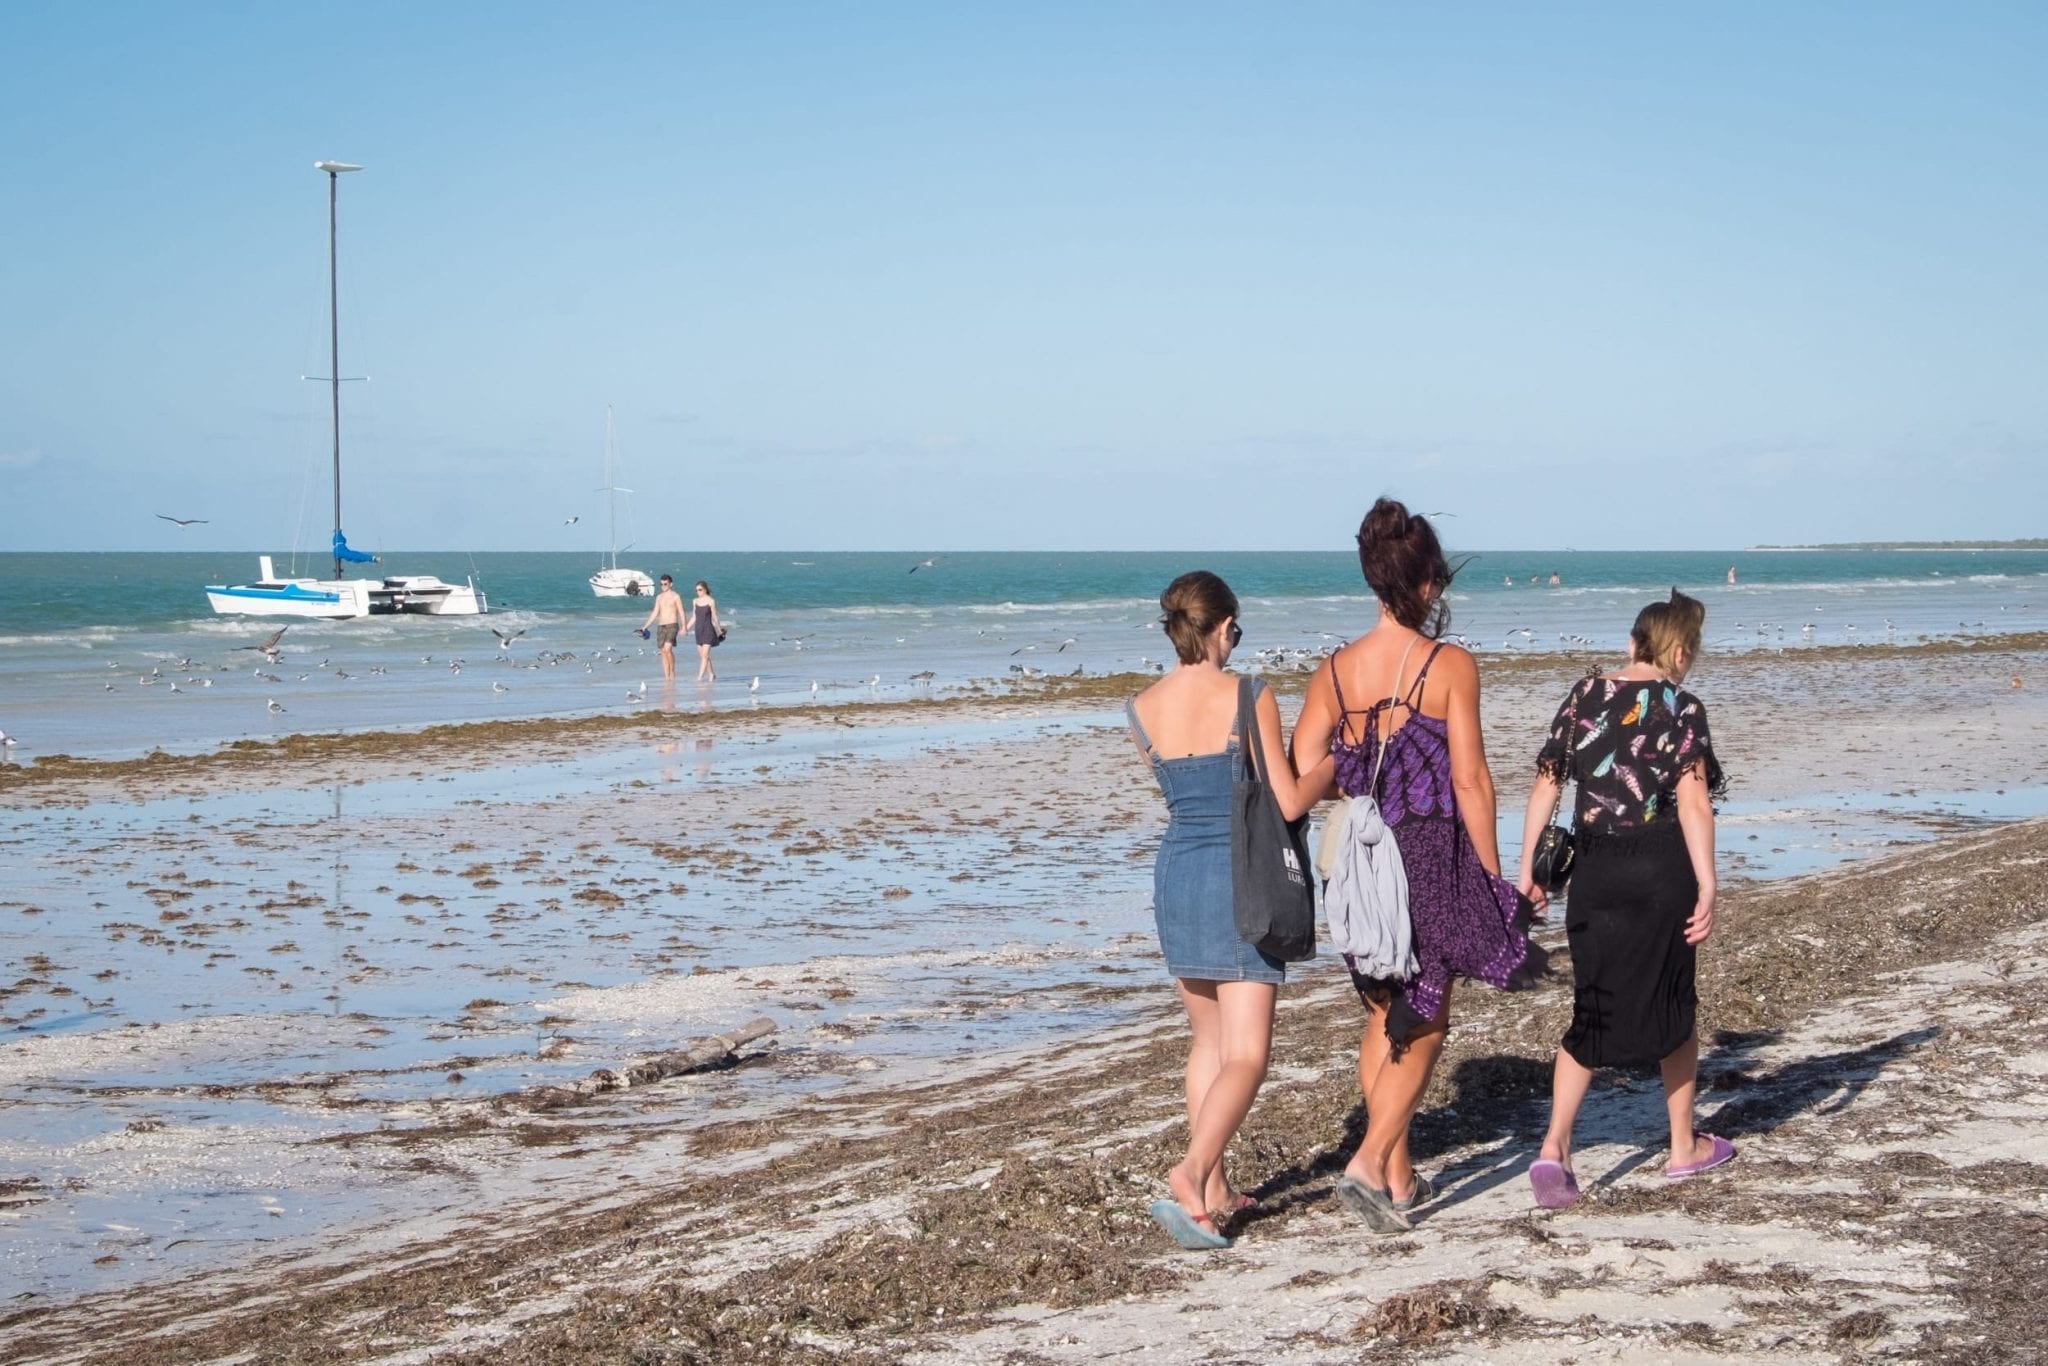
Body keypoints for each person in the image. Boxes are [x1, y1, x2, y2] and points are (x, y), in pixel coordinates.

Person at [1290, 498, 1540, 1234]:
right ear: (1427, 582)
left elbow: (1308, 769)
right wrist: (1492, 882)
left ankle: (1399, 1180)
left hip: (1357, 862)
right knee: (1425, 1015)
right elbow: (1471, 781)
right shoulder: (1447, 665)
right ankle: (1369, 1165)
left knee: (1381, 1012)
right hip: (1429, 853)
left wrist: (1362, 770)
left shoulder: (1332, 674)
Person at [1128, 571, 1332, 1250]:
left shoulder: (1141, 707)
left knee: (1208, 1043)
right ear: (1222, 629)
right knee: (1247, 1053)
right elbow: (1291, 800)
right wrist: (1332, 768)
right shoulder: (1249, 694)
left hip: (1178, 875)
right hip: (1239, 877)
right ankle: (1190, 1174)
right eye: (1237, 631)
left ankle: (1215, 1188)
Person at [1516, 588, 1730, 1208]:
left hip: (1597, 872)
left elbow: (1545, 787)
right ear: (1680, 651)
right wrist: (1709, 881)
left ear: (1632, 641)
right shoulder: (1683, 707)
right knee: (1674, 1003)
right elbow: (1693, 802)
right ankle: (1683, 1147)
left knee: (1593, 1009)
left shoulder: (1584, 695)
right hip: (1662, 868)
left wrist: (1532, 872)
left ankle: (1554, 1148)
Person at [639, 575, 685, 682]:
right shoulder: (659, 597)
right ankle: (667, 676)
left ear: (670, 584)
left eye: (665, 584)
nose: (663, 586)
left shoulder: (676, 596)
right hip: (661, 626)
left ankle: (672, 671)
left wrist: (684, 627)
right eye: (661, 584)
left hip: (672, 624)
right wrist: (645, 626)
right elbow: (655, 612)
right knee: (663, 651)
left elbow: (681, 611)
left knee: (668, 649)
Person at [690, 581, 723, 683]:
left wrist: (719, 629)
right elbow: (694, 617)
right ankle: (712, 674)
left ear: (705, 589)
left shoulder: (711, 601)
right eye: (696, 590)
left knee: (704, 656)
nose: (698, 592)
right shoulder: (695, 601)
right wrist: (685, 628)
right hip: (698, 630)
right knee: (703, 656)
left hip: (708, 630)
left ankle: (699, 677)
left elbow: (714, 616)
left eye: (700, 590)